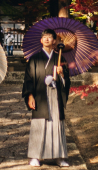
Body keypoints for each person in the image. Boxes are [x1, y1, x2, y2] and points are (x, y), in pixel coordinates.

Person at [22, 29, 71, 167]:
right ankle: (35, 156)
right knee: (39, 124)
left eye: (50, 37)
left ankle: (58, 156)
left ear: (55, 41)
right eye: (45, 37)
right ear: (41, 40)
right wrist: (30, 95)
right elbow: (28, 79)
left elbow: (67, 80)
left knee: (56, 124)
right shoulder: (34, 58)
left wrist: (61, 74)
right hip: (39, 95)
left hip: (55, 95)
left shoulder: (60, 58)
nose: (47, 39)